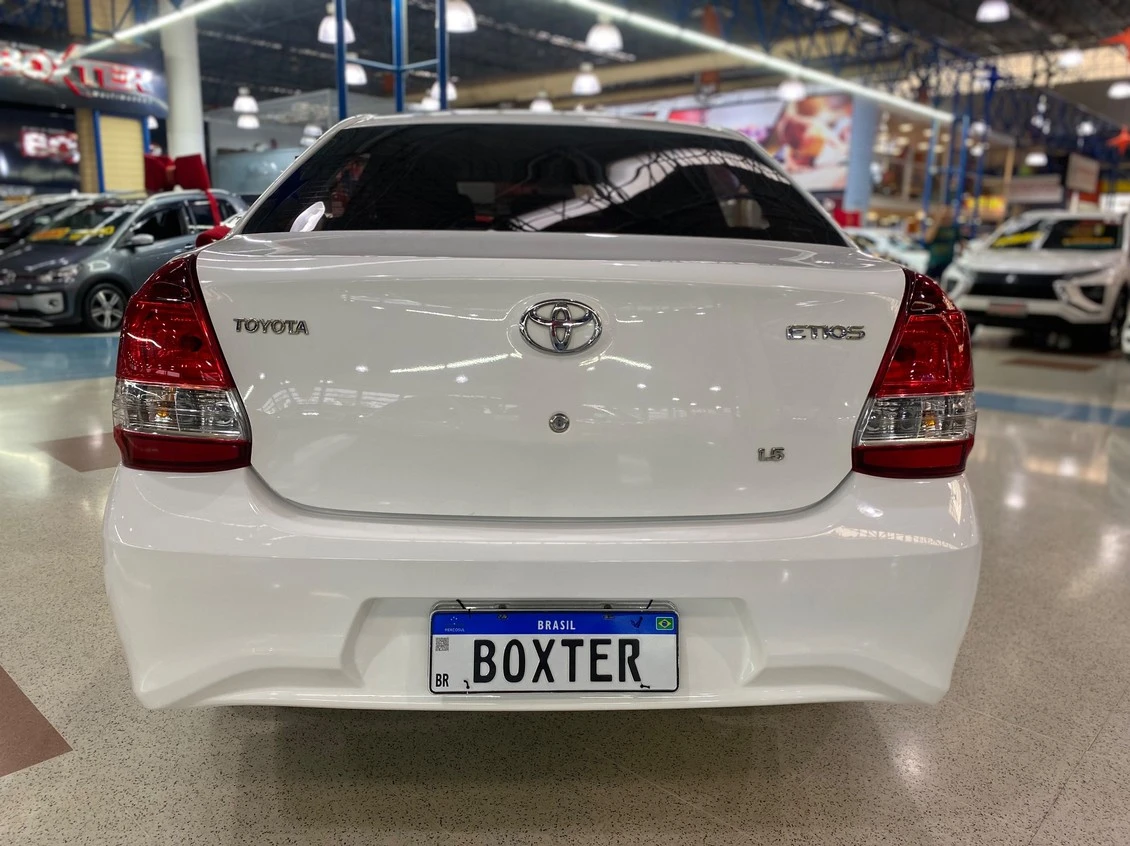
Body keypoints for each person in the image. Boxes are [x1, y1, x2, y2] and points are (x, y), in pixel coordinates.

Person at [924, 208, 959, 279]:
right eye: (945, 216)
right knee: (928, 280)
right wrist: (937, 222)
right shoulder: (935, 227)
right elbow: (928, 239)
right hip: (935, 262)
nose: (947, 217)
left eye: (949, 215)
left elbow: (960, 241)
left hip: (948, 262)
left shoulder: (954, 228)